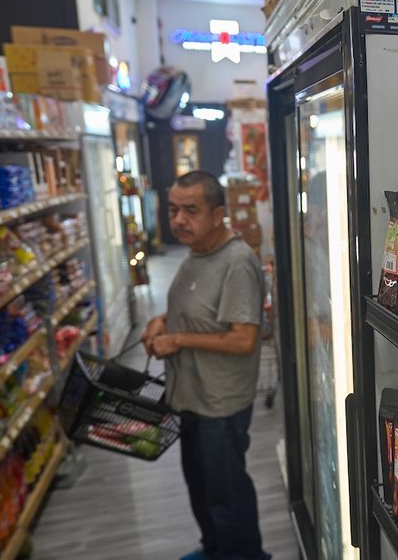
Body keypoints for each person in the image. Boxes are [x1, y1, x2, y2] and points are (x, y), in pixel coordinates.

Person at [140, 171, 269, 560]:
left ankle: (245, 556)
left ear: (218, 215)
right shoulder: (197, 253)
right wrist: (163, 319)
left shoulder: (237, 262)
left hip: (220, 403)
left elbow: (244, 338)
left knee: (226, 496)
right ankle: (214, 549)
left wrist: (177, 340)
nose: (178, 220)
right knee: (200, 487)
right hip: (190, 396)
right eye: (174, 209)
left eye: (190, 210)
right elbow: (197, 310)